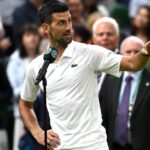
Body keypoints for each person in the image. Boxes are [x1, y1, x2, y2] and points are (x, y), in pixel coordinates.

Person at [19, 0, 150, 150]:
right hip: (59, 147)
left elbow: (133, 63)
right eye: (61, 23)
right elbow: (24, 104)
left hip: (93, 146)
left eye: (69, 21)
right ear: (46, 28)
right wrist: (38, 132)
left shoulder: (89, 53)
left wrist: (144, 54)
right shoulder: (36, 66)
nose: (68, 27)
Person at [99, 36, 150, 150]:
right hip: (113, 145)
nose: (133, 55)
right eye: (128, 51)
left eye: (137, 51)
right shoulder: (110, 79)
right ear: (120, 54)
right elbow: (103, 114)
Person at [7, 24, 40, 150]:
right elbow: (13, 88)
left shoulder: (43, 56)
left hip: (42, 113)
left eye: (34, 34)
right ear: (22, 39)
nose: (32, 38)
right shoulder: (15, 59)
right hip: (23, 112)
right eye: (28, 35)